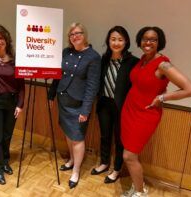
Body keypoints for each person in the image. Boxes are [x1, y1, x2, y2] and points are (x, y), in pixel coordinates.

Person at [120, 26, 191, 197]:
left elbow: (190, 90)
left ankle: (140, 193)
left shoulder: (163, 64)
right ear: (140, 41)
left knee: (129, 156)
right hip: (130, 111)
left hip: (145, 114)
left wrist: (162, 98)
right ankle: (137, 186)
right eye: (145, 38)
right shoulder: (143, 59)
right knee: (130, 153)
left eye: (153, 39)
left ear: (159, 42)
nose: (148, 42)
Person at [48, 22, 101, 189]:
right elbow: (57, 75)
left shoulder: (93, 57)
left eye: (78, 33)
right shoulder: (65, 52)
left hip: (79, 104)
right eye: (71, 34)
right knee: (68, 134)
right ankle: (71, 160)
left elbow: (92, 85)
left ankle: (76, 171)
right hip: (63, 99)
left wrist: (86, 109)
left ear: (84, 35)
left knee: (77, 137)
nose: (75, 36)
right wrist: (51, 94)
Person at [91, 26, 139, 183]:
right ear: (108, 41)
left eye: (120, 39)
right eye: (113, 39)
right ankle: (104, 163)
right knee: (105, 135)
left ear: (126, 42)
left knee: (119, 139)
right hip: (104, 103)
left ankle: (116, 169)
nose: (116, 43)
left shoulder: (133, 62)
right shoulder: (104, 59)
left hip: (122, 107)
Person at [0, 24, 25, 185]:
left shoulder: (16, 60)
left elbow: (21, 85)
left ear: (6, 39)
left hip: (12, 102)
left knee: (7, 134)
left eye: (1, 38)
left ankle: (5, 161)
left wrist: (20, 104)